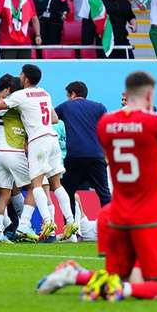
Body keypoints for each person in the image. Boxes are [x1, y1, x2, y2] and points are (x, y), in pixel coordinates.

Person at [85, 71, 157, 301]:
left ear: (126, 94)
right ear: (149, 94)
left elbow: (110, 155)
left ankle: (81, 278)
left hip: (117, 214)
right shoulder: (155, 121)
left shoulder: (106, 123)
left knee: (122, 274)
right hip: (150, 215)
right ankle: (120, 291)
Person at [0, 63, 77, 240]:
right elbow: (54, 118)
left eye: (22, 74)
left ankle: (46, 222)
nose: (20, 77)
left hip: (36, 142)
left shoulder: (20, 95)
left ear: (26, 78)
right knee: (56, 184)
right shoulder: (44, 93)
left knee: (35, 184)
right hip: (51, 138)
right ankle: (70, 221)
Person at [56, 81, 111, 221]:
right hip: (96, 155)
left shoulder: (65, 107)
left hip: (73, 156)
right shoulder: (99, 107)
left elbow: (51, 118)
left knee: (68, 193)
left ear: (73, 94)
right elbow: (107, 130)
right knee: (104, 193)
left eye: (68, 95)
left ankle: (71, 230)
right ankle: (111, 228)